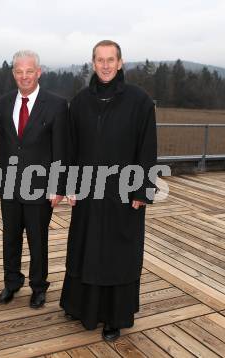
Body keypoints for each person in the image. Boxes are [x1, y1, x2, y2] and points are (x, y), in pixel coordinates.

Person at [60, 40, 157, 341]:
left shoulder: (139, 101)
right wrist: (68, 186)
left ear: (120, 63)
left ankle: (114, 318)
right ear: (92, 63)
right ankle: (81, 308)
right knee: (85, 249)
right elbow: (70, 148)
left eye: (110, 60)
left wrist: (142, 191)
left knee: (117, 255)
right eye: (99, 60)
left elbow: (147, 148)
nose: (105, 65)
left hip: (123, 195)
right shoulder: (79, 101)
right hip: (88, 192)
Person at [0, 50, 68, 308]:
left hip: (41, 187)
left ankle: (39, 286)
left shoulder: (57, 104)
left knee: (38, 240)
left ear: (39, 72)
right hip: (9, 185)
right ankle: (11, 283)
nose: (24, 76)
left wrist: (58, 185)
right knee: (10, 238)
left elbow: (61, 148)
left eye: (29, 71)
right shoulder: (3, 103)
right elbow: (1, 144)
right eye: (19, 71)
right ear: (13, 73)